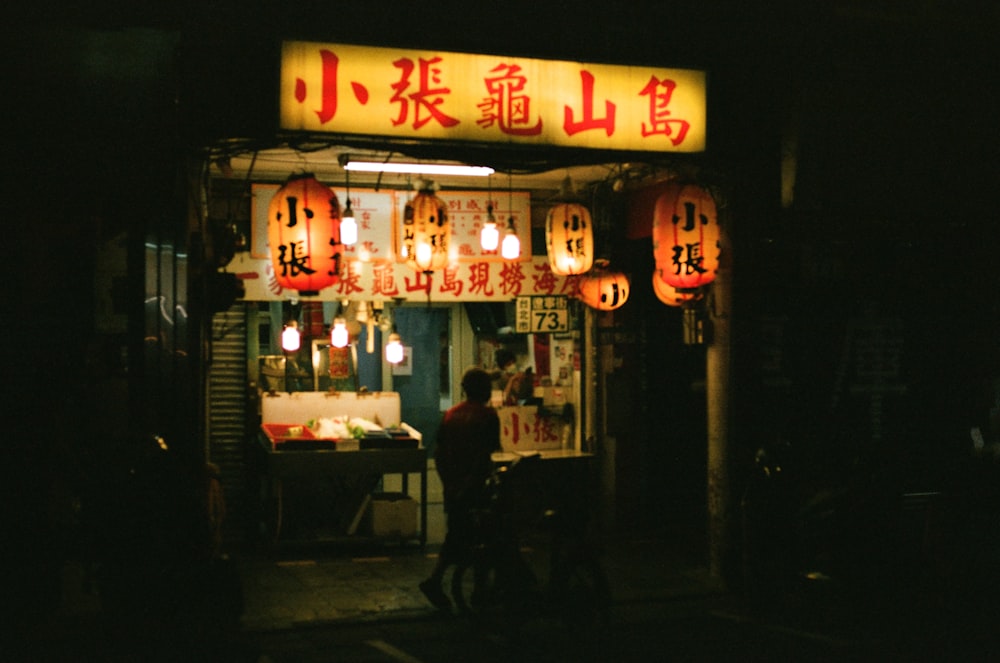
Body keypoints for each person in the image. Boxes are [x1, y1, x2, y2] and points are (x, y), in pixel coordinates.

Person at [420, 367, 501, 612]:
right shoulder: (487, 416)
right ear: (486, 390)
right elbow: (487, 456)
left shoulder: (451, 415)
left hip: (453, 488)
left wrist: (450, 484)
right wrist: (472, 483)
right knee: (484, 538)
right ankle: (478, 590)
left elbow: (438, 454)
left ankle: (436, 581)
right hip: (475, 489)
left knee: (456, 535)